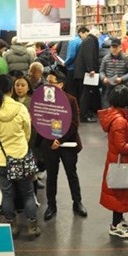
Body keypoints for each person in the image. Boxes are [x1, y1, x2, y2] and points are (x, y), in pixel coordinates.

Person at [0, 74, 40, 238]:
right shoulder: (20, 108)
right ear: (10, 89)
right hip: (20, 155)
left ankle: (12, 226)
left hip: (1, 158)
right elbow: (28, 131)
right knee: (28, 193)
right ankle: (32, 226)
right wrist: (21, 144)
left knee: (7, 194)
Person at [34, 70, 87, 220]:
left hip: (67, 143)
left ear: (61, 84)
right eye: (47, 82)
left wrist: (60, 140)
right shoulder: (42, 101)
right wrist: (51, 141)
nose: (48, 85)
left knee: (72, 174)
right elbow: (40, 122)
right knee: (52, 175)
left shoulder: (70, 100)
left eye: (52, 82)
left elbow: (74, 123)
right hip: (49, 144)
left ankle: (77, 202)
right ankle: (51, 205)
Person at [98, 85, 128, 239]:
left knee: (120, 193)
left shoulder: (116, 116)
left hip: (117, 162)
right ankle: (115, 226)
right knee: (119, 195)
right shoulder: (119, 121)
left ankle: (119, 220)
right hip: (120, 163)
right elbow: (121, 146)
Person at [73, 27, 100, 122]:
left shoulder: (88, 40)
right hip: (86, 72)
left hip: (82, 72)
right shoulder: (90, 41)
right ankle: (83, 115)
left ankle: (85, 112)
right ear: (96, 35)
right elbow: (88, 55)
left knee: (86, 93)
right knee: (86, 94)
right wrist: (91, 69)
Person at [99, 37, 128, 109]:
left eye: (115, 47)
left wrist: (121, 79)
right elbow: (101, 71)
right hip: (108, 85)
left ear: (120, 47)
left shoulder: (126, 58)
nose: (113, 49)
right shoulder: (106, 58)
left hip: (121, 86)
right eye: (112, 47)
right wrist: (103, 78)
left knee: (121, 106)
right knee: (107, 105)